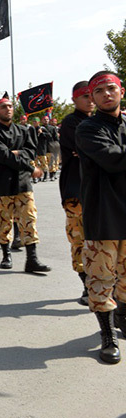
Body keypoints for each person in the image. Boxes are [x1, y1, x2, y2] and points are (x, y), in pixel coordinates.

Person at [75, 71, 126, 364]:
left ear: (121, 90)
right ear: (92, 98)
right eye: (99, 91)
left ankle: (123, 320)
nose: (107, 94)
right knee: (101, 278)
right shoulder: (87, 128)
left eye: (111, 88)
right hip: (103, 213)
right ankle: (108, 336)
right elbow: (113, 158)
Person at [0, 97, 50, 273]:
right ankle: (6, 255)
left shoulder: (23, 130)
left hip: (22, 183)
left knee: (29, 219)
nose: (8, 109)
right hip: (2, 183)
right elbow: (4, 156)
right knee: (3, 221)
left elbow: (30, 151)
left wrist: (18, 153)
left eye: (10, 106)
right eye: (3, 107)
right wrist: (28, 165)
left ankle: (32, 259)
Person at [60, 82, 95, 305]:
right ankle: (86, 284)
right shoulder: (71, 123)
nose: (90, 99)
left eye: (92, 95)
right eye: (85, 96)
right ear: (74, 99)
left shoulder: (100, 120)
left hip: (99, 191)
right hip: (76, 191)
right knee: (79, 239)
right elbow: (88, 148)